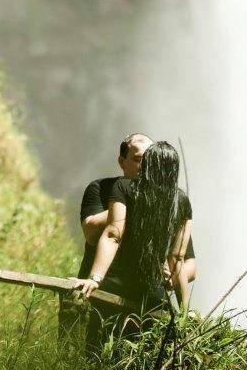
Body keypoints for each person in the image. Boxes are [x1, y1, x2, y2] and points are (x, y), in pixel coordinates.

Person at [73, 140, 193, 352]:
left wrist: (95, 278)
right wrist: (184, 311)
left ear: (148, 164)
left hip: (113, 292)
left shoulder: (124, 187)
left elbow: (113, 235)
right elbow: (177, 258)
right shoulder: (181, 200)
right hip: (151, 300)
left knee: (98, 355)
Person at [78, 133, 196, 302]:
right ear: (121, 162)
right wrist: (134, 202)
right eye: (138, 159)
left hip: (149, 297)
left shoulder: (174, 201)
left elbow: (184, 260)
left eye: (151, 160)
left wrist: (173, 280)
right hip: (105, 289)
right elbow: (93, 233)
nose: (145, 166)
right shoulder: (103, 188)